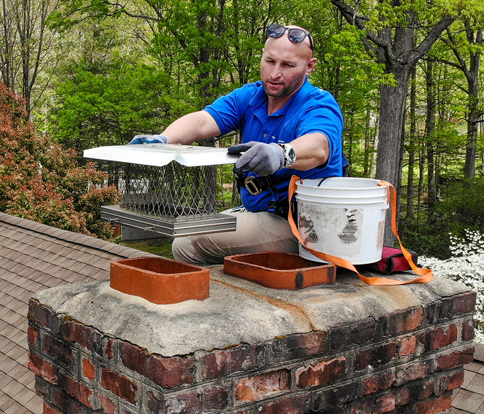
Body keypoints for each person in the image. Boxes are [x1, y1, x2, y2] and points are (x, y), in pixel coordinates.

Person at [129, 24, 345, 265]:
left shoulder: (318, 104)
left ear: (310, 67)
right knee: (185, 235)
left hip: (305, 225)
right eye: (269, 61)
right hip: (260, 213)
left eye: (287, 65)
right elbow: (202, 122)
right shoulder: (251, 96)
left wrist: (281, 153)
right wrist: (163, 139)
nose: (274, 73)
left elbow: (319, 147)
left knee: (187, 241)